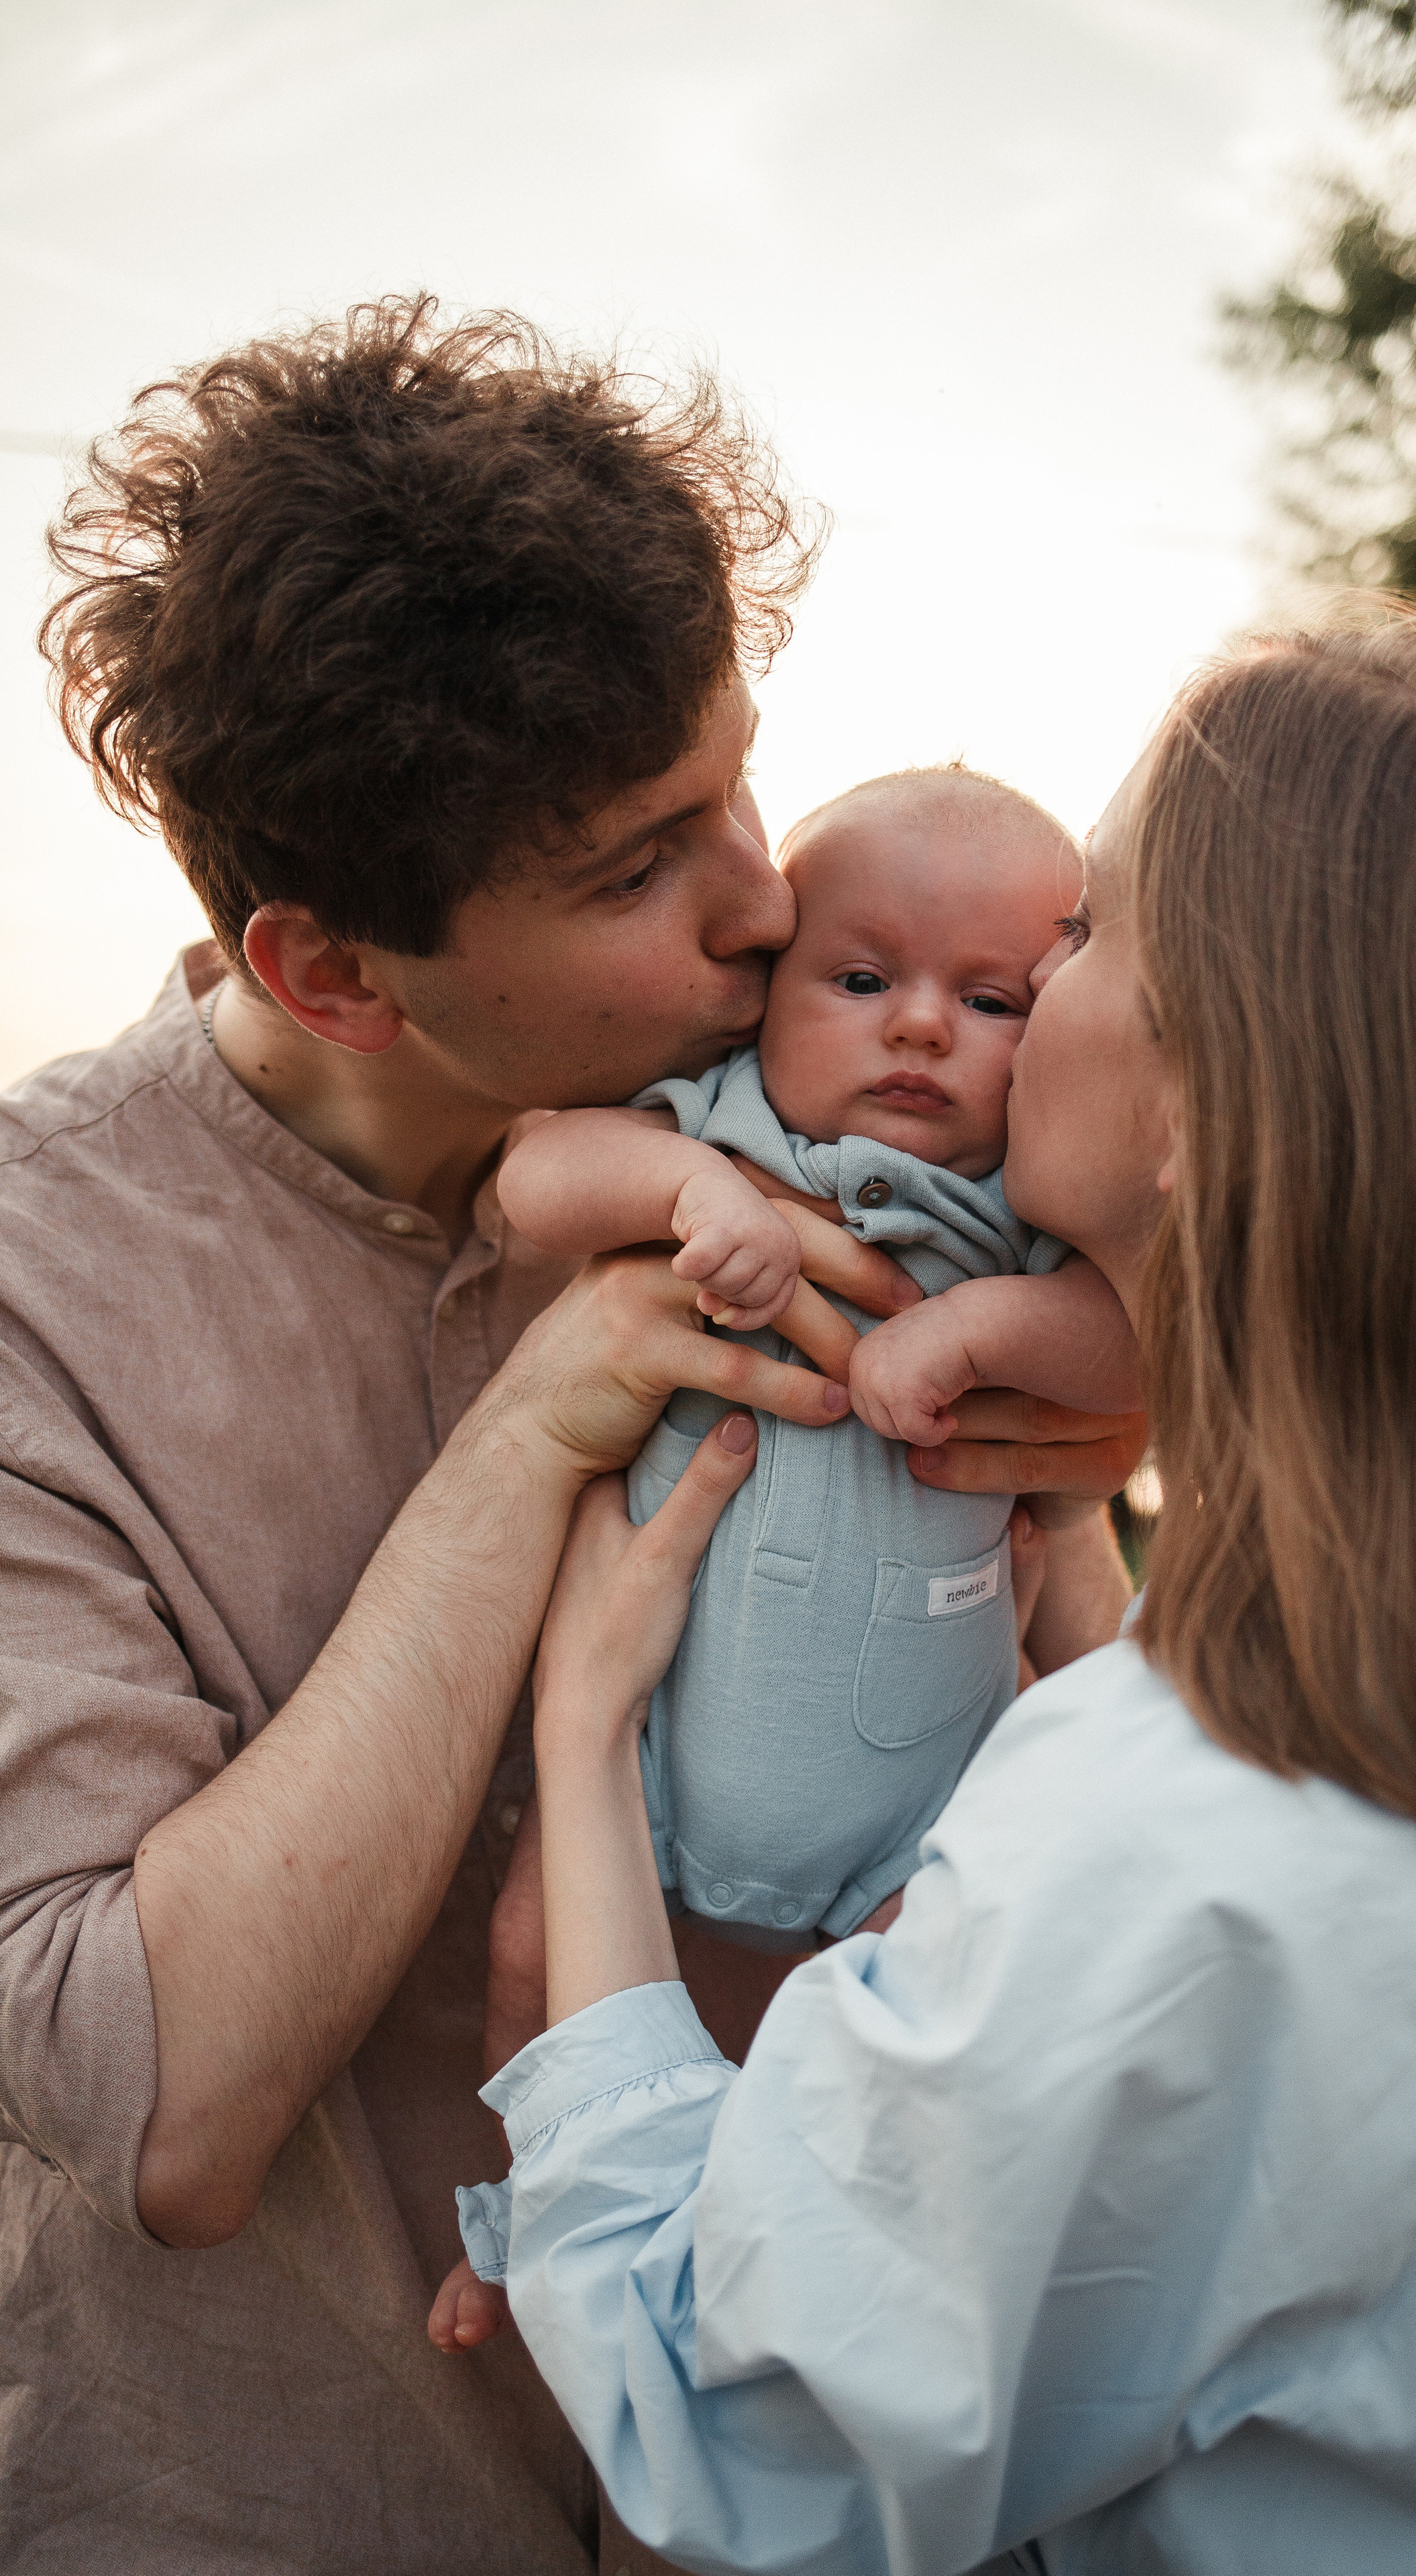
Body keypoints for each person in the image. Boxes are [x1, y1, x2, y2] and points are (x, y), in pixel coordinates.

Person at [0, 294, 1144, 2576]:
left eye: (736, 774)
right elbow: (158, 2118)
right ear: (334, 973)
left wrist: (1132, 1397)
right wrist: (534, 1429)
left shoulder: (842, 1122)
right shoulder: (38, 1298)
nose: (761, 893)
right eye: (640, 868)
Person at [451, 608, 1416, 2575]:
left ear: (1216, 1098)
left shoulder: (1170, 1829)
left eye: (1091, 939)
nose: (1031, 988)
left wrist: (583, 1727)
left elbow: (723, 2414)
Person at [498, 767, 1142, 1948]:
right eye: (859, 980)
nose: (920, 1024)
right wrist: (690, 1189)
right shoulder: (728, 1124)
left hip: (925, 1806)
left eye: (995, 1002)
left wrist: (979, 1329)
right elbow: (537, 1181)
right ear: (767, 999)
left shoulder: (1023, 1193)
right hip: (644, 1754)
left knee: (920, 2025)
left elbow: (1125, 1345)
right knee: (535, 1965)